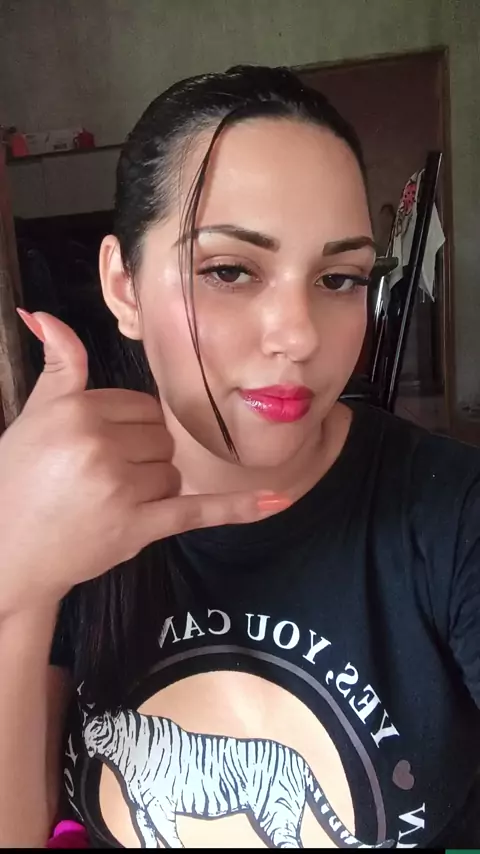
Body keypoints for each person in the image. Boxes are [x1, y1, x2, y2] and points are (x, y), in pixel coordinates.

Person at [0, 65, 479, 850]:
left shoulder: (453, 517)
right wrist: (16, 581)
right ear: (123, 286)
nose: (299, 334)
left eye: (339, 278)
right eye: (228, 270)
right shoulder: (59, 517)